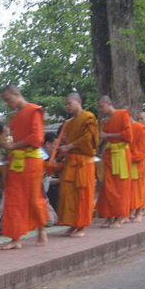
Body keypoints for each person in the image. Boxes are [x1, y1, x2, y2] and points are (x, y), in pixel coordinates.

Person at [0, 85, 48, 250]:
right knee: (13, 199)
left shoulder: (34, 111)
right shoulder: (14, 117)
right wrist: (9, 147)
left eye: (8, 99)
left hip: (32, 161)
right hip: (16, 161)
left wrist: (14, 146)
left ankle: (41, 230)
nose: (7, 103)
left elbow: (37, 138)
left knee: (34, 197)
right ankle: (15, 238)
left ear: (16, 94)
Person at [56, 93, 99, 238]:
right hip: (71, 162)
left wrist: (68, 147)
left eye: (70, 103)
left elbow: (88, 139)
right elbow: (68, 140)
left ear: (78, 101)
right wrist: (64, 148)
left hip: (83, 164)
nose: (67, 106)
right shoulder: (70, 122)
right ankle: (73, 224)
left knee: (82, 195)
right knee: (69, 195)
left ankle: (82, 226)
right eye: (66, 104)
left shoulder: (88, 117)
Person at [96, 95, 132, 228]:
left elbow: (128, 136)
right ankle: (110, 216)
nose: (101, 110)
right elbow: (103, 139)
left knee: (120, 187)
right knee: (108, 187)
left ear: (108, 103)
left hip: (121, 155)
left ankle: (119, 217)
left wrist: (108, 135)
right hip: (110, 155)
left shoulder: (122, 114)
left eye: (101, 106)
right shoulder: (106, 121)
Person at [129, 113, 145, 222]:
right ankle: (129, 212)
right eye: (139, 118)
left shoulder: (142, 129)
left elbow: (144, 149)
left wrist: (132, 157)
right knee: (130, 189)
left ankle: (139, 212)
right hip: (127, 163)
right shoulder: (128, 128)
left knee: (139, 188)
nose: (141, 120)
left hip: (138, 163)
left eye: (143, 118)